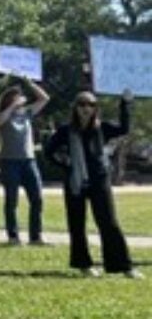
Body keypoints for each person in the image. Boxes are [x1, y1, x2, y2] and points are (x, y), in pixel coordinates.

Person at [44, 89, 142, 279]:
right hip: (75, 183)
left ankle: (124, 266)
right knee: (77, 225)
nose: (86, 108)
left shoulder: (101, 128)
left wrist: (125, 105)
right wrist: (66, 165)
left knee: (109, 223)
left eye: (91, 105)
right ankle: (83, 265)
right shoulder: (65, 131)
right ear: (76, 108)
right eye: (82, 104)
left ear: (95, 108)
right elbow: (49, 152)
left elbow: (124, 128)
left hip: (99, 181)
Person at [0, 79, 50, 246]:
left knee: (37, 198)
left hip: (28, 161)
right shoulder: (4, 115)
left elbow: (44, 99)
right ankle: (13, 236)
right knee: (12, 200)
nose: (20, 100)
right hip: (9, 162)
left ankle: (36, 236)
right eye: (16, 98)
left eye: (21, 97)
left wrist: (30, 83)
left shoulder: (26, 113)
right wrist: (12, 107)